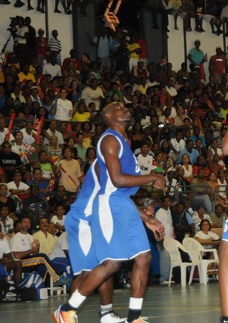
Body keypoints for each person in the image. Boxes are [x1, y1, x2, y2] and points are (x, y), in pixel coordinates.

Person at [53, 102, 166, 323]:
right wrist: (152, 176)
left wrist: (147, 218)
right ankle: (66, 310)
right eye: (119, 107)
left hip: (121, 203)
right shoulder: (110, 140)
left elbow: (121, 189)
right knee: (106, 264)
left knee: (144, 257)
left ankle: (134, 317)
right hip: (95, 211)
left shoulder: (123, 143)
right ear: (108, 115)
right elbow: (116, 182)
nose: (126, 109)